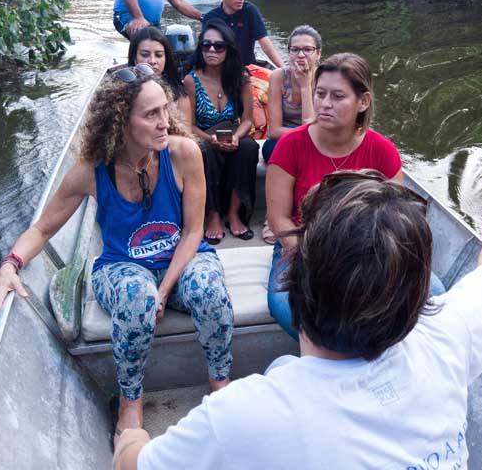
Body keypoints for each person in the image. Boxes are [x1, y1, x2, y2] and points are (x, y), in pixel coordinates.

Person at [113, 166, 482, 470]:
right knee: (285, 368)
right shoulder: (446, 338)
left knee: (283, 372)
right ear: (416, 295)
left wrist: (130, 440)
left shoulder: (245, 416)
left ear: (297, 280)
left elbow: (136, 466)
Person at [0, 64, 234, 445]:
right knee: (138, 297)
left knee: (208, 288)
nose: (164, 122)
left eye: (164, 110)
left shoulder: (185, 153)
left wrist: (167, 288)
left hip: (182, 259)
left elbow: (193, 232)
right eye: (151, 114)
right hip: (122, 267)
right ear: (121, 122)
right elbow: (42, 229)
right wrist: (10, 264)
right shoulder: (91, 171)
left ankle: (220, 382)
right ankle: (130, 402)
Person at [266, 52, 445, 339]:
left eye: (338, 96)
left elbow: (396, 220)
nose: (324, 104)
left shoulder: (382, 151)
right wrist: (314, 257)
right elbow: (278, 218)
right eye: (320, 93)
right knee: (288, 308)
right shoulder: (291, 145)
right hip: (303, 247)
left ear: (363, 102)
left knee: (434, 293)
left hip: (367, 251)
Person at [182, 18, 259, 244]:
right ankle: (213, 214)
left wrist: (235, 137)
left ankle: (234, 213)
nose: (212, 50)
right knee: (204, 150)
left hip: (232, 133)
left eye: (219, 46)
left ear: (229, 49)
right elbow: (189, 125)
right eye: (206, 45)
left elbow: (247, 120)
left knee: (248, 147)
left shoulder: (241, 79)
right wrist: (211, 139)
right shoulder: (191, 80)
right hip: (203, 136)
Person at [259, 25, 322, 244]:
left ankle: (308, 214)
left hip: (317, 138)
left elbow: (312, 126)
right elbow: (275, 130)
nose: (301, 55)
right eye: (295, 50)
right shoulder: (278, 76)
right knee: (277, 150)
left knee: (317, 152)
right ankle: (273, 217)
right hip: (281, 142)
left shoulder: (324, 79)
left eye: (307, 49)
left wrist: (306, 87)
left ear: (318, 53)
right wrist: (304, 136)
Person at [201, 0, 284, 68]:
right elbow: (206, 53)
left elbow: (266, 45)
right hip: (220, 72)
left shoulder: (250, 11)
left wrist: (285, 70)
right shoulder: (210, 18)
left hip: (247, 72)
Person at [127, 27, 192, 122]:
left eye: (158, 55)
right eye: (145, 55)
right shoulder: (122, 93)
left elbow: (186, 135)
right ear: (134, 58)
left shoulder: (179, 96)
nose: (152, 61)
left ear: (166, 58)